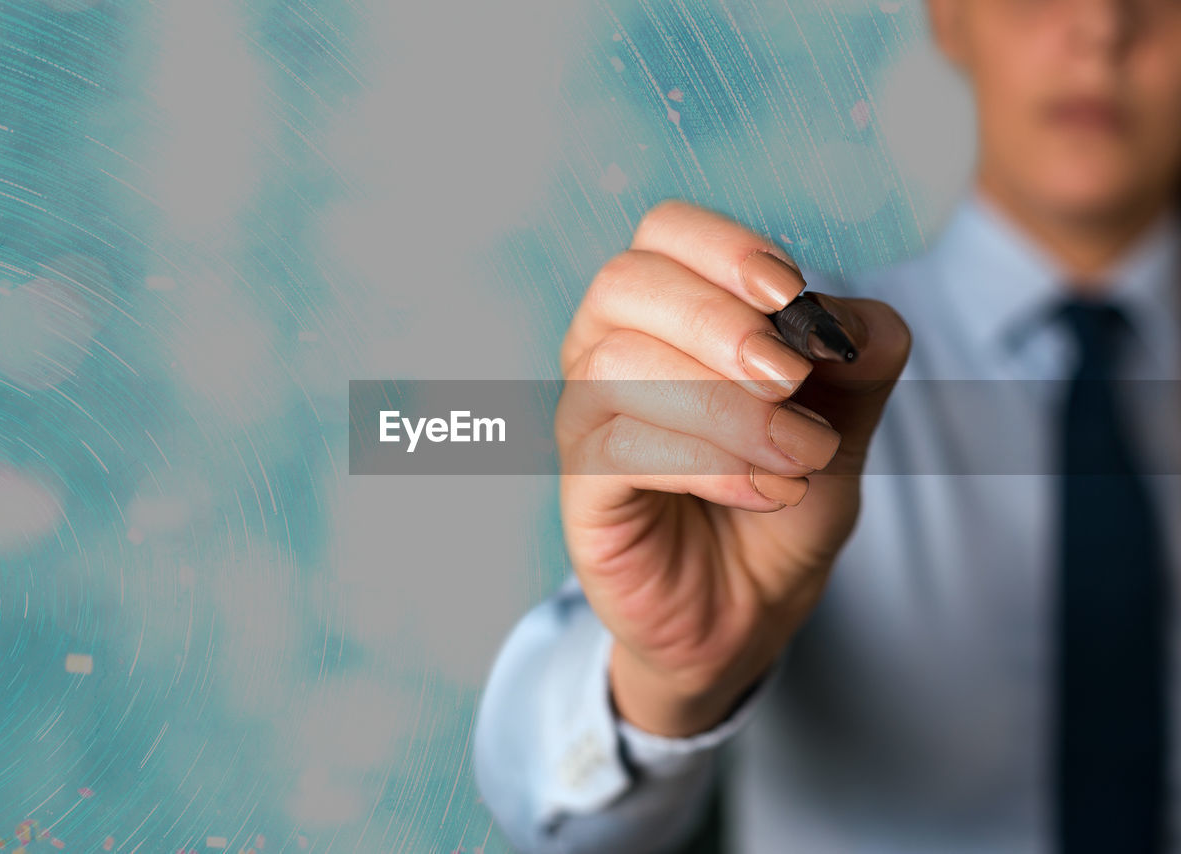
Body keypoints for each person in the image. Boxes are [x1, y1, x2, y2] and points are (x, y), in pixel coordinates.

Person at [473, 0, 1181, 852]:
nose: (1103, 25)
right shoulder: (790, 385)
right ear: (949, 17)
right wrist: (665, 678)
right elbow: (549, 818)